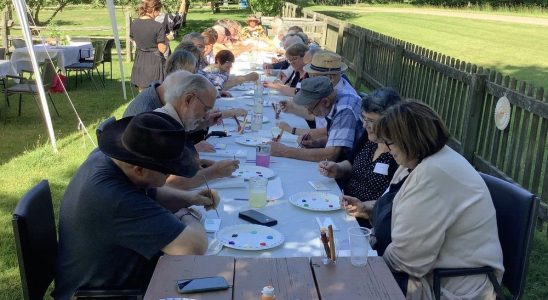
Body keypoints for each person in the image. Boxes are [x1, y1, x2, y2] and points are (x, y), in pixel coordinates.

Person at [352, 101, 504, 298]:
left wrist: (372, 258)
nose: (387, 149)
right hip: (433, 273)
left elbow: (408, 259)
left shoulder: (433, 174)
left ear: (410, 140)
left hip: (451, 286)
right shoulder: (422, 161)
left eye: (390, 142)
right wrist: (367, 212)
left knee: (357, 284)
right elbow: (400, 209)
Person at [54, 112, 212, 299]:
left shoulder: (108, 159)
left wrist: (190, 198)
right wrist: (187, 214)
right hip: (104, 294)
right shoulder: (116, 199)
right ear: (140, 169)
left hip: (114, 280)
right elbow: (193, 248)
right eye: (167, 171)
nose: (170, 176)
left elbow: (153, 192)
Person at [123, 71, 243, 189]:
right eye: (206, 109)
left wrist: (196, 164)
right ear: (188, 100)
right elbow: (168, 184)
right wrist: (215, 171)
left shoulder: (168, 119)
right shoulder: (162, 129)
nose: (206, 115)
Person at [321, 87, 401, 227]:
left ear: (390, 121)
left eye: (371, 121)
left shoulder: (399, 154)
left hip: (367, 220)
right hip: (344, 205)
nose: (365, 125)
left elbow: (393, 201)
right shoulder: (370, 137)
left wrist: (363, 207)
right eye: (363, 118)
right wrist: (338, 168)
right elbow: (351, 163)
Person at [269, 76, 363, 162]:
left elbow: (331, 154)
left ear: (325, 102)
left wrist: (285, 151)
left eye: (311, 108)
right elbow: (341, 138)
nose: (309, 113)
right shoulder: (334, 98)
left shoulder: (344, 109)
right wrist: (316, 143)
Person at [131, 0, 167, 91]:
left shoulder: (134, 23)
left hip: (139, 61)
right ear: (154, 9)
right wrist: (166, 40)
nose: (159, 14)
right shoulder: (158, 26)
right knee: (155, 93)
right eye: (158, 11)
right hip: (153, 63)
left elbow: (134, 40)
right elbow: (162, 49)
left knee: (142, 93)